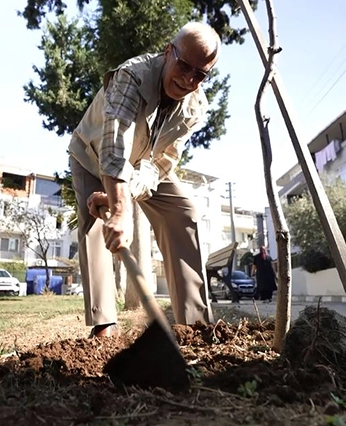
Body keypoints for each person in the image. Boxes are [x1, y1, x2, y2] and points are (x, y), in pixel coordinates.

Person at [68, 21, 222, 338]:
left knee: (184, 212)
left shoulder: (196, 107)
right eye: (184, 65)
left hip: (142, 165)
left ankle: (192, 326)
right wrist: (120, 210)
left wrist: (127, 192)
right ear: (169, 52)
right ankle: (104, 325)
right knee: (96, 225)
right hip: (94, 154)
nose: (189, 79)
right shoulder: (132, 76)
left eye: (200, 74)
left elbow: (164, 160)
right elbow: (114, 148)